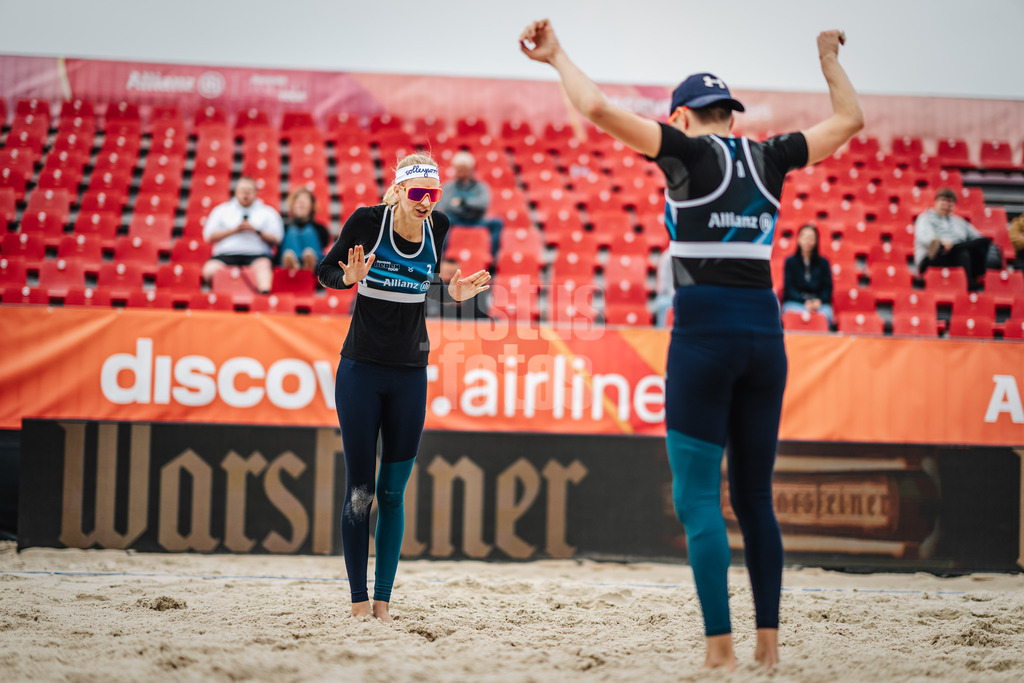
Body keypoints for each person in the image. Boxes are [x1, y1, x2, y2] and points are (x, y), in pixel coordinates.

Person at [520, 19, 863, 670]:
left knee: (698, 499)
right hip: (766, 330)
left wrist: (557, 55)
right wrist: (825, 57)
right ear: (730, 118)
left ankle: (719, 649)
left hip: (704, 332)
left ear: (681, 116)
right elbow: (850, 119)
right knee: (756, 496)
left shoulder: (685, 154)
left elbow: (594, 107)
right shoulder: (770, 156)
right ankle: (769, 646)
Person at [316, 153, 490, 623]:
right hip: (360, 372)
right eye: (418, 193)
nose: (427, 202)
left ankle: (383, 603)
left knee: (393, 494)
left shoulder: (440, 226)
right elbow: (324, 271)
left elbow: (419, 285)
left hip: (410, 374)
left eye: (433, 193)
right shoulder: (368, 221)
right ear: (398, 191)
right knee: (360, 491)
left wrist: (451, 295)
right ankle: (357, 603)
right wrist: (347, 278)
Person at [201, 176, 283, 293]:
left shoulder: (268, 212)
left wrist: (257, 231)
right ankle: (220, 299)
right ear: (236, 192)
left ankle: (262, 304)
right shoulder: (221, 210)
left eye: (249, 191)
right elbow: (208, 236)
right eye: (242, 191)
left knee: (264, 275)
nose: (246, 194)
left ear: (256, 193)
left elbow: (277, 239)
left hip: (257, 255)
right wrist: (233, 230)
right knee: (209, 271)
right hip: (225, 255)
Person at [914, 187, 992, 287]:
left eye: (950, 202)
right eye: (943, 201)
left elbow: (977, 237)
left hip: (956, 251)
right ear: (936, 202)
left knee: (982, 242)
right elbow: (925, 237)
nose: (946, 205)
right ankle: (969, 286)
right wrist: (942, 243)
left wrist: (954, 246)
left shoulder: (960, 222)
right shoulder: (925, 218)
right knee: (962, 253)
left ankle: (972, 274)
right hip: (933, 256)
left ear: (954, 204)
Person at [437, 150, 504, 258]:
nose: (460, 173)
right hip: (455, 219)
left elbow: (483, 204)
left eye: (463, 170)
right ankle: (441, 256)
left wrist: (463, 203)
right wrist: (470, 207)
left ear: (471, 170)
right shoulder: (449, 187)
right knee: (443, 220)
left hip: (477, 220)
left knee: (497, 223)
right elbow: (446, 205)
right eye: (458, 170)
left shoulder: (481, 187)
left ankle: (492, 258)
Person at [782, 225, 834, 325]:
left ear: (816, 241)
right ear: (798, 239)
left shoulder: (824, 263)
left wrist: (819, 301)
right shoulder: (790, 262)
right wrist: (804, 301)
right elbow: (789, 289)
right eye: (804, 237)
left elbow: (827, 288)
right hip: (796, 302)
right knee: (789, 312)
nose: (807, 241)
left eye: (811, 238)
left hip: (819, 304)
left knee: (826, 314)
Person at [280, 187, 330, 271]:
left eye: (305, 200)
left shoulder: (320, 228)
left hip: (316, 263)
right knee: (293, 231)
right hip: (286, 261)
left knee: (308, 231)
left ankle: (308, 264)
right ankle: (295, 264)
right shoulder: (284, 227)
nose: (301, 203)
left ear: (312, 206)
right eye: (298, 201)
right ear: (293, 205)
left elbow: (325, 244)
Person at [425, 257, 491, 320]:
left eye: (454, 273)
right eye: (448, 272)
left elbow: (481, 315)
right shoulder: (430, 288)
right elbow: (430, 313)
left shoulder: (469, 289)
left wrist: (463, 301)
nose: (451, 277)